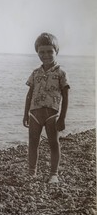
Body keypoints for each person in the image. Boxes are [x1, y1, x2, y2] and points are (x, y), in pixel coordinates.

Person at [23, 32, 70, 183]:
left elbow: (66, 95)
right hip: (34, 114)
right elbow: (29, 95)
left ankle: (54, 174)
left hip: (52, 114)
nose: (46, 55)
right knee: (33, 142)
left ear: (56, 51)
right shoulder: (35, 73)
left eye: (50, 51)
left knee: (53, 143)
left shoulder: (61, 73)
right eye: (41, 52)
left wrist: (62, 117)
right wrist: (25, 114)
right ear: (37, 53)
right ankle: (32, 172)